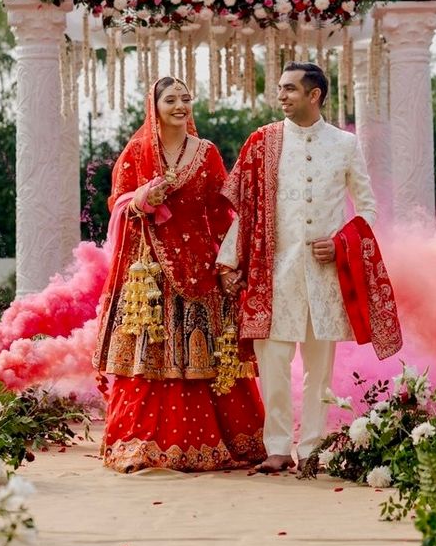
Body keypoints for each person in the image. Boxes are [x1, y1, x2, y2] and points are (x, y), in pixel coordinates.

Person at [92, 77, 266, 473]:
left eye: (186, 98)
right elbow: (116, 202)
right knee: (153, 352)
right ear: (154, 107)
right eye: (170, 99)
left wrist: (229, 262)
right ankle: (144, 445)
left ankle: (224, 443)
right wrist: (141, 199)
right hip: (150, 270)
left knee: (206, 352)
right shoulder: (137, 152)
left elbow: (221, 208)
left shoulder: (206, 153)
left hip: (202, 264)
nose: (180, 105)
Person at [217, 62, 377, 473]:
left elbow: (368, 208)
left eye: (290, 89)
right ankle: (276, 448)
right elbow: (246, 209)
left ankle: (312, 449)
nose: (282, 96)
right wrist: (229, 259)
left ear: (315, 94)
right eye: (280, 89)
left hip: (325, 276)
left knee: (319, 371)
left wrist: (342, 243)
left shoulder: (344, 144)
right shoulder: (263, 142)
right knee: (273, 365)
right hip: (273, 273)